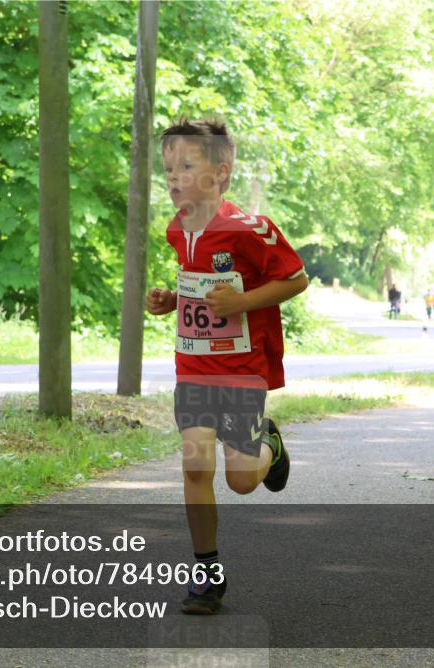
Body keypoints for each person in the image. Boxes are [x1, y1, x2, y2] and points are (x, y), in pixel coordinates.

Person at [146, 118, 308, 615]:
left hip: (241, 370)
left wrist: (242, 302)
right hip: (192, 365)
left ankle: (269, 444)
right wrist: (173, 299)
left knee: (240, 480)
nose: (174, 177)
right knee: (195, 466)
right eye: (168, 167)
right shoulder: (178, 228)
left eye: (187, 166)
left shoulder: (249, 228)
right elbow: (201, 290)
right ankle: (206, 576)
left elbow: (296, 279)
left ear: (220, 173)